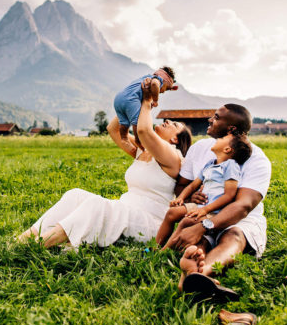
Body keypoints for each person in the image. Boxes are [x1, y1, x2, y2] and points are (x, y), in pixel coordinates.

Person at [17, 82, 192, 248]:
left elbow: (144, 130)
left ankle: (36, 245)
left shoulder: (173, 156)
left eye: (174, 124)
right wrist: (135, 99)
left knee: (97, 205)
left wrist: (148, 100)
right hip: (124, 212)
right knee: (75, 195)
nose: (168, 121)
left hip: (149, 224)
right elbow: (113, 129)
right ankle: (22, 239)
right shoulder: (142, 151)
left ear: (176, 138)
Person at [169, 104, 272, 301]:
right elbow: (182, 185)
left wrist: (204, 226)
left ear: (231, 129)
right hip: (204, 214)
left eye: (216, 117)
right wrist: (191, 197)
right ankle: (195, 274)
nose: (210, 119)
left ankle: (200, 274)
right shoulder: (199, 148)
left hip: (240, 222)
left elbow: (243, 206)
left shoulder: (257, 160)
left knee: (233, 236)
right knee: (198, 242)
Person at [156, 131, 252, 249]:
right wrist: (180, 198)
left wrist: (205, 210)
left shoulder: (230, 165)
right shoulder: (209, 165)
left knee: (187, 221)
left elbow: (229, 195)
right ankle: (157, 245)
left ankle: (164, 252)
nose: (218, 138)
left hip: (215, 211)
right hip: (201, 206)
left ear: (227, 149)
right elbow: (192, 186)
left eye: (222, 138)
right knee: (172, 213)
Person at [113, 66, 178, 149]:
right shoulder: (158, 79)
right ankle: (138, 140)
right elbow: (155, 84)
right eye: (166, 89)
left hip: (119, 98)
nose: (163, 92)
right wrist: (155, 100)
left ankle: (124, 138)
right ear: (165, 80)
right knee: (137, 121)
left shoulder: (146, 77)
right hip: (130, 100)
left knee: (124, 123)